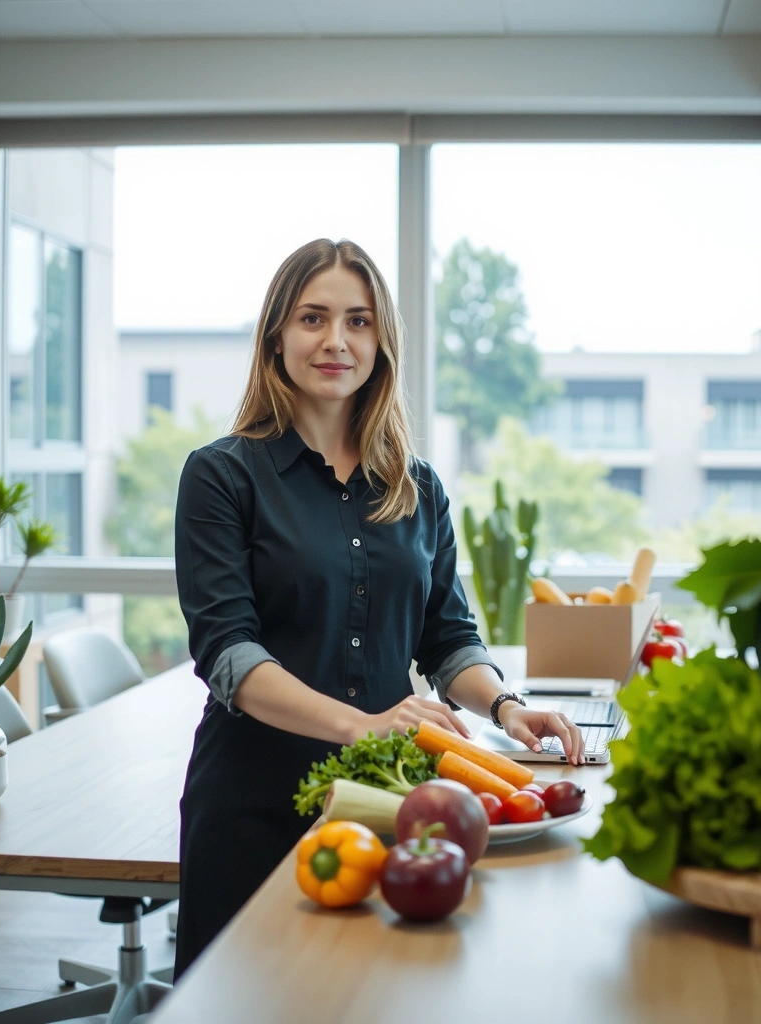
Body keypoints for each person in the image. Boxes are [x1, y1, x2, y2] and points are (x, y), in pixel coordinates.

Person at [172, 238, 583, 977]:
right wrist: (364, 725)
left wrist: (507, 708)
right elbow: (228, 656)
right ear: (276, 337)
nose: (336, 341)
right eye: (312, 319)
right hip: (252, 806)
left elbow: (448, 636)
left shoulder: (417, 486)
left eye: (358, 321)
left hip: (390, 802)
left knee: (375, 996)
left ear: (381, 342)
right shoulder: (221, 477)